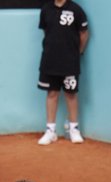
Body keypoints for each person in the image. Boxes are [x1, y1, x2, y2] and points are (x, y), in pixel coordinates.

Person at [36, 0, 89, 146]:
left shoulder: (76, 10)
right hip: (49, 60)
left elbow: (84, 33)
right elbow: (46, 32)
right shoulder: (46, 9)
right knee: (52, 93)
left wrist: (77, 53)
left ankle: (74, 129)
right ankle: (50, 131)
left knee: (71, 94)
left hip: (70, 62)